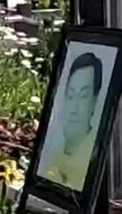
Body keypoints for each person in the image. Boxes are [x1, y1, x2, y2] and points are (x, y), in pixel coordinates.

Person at [42, 52, 103, 191]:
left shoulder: (92, 159)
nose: (74, 109)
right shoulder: (55, 156)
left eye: (83, 96)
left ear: (94, 102)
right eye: (70, 96)